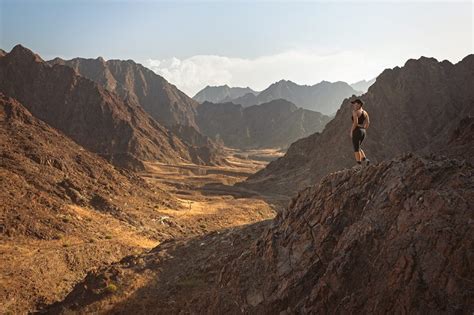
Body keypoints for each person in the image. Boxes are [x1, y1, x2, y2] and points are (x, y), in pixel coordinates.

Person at [350, 99, 370, 167]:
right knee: (359, 147)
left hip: (357, 131)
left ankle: (358, 164)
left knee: (356, 148)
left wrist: (351, 131)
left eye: (355, 104)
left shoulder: (355, 112)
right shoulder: (365, 112)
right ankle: (365, 160)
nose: (354, 105)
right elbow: (367, 123)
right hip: (363, 131)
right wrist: (363, 129)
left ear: (359, 104)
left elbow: (355, 123)